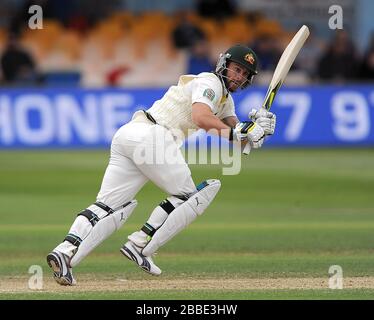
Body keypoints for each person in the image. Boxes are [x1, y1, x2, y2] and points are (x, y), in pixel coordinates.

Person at [46, 44, 277, 285]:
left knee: (108, 207)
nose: (238, 77)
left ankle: (64, 253)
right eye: (236, 69)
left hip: (130, 134)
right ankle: (139, 244)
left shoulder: (225, 101)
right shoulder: (209, 82)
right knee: (192, 196)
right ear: (224, 64)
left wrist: (257, 129)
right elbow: (202, 118)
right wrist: (240, 132)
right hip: (153, 137)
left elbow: (237, 137)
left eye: (244, 74)